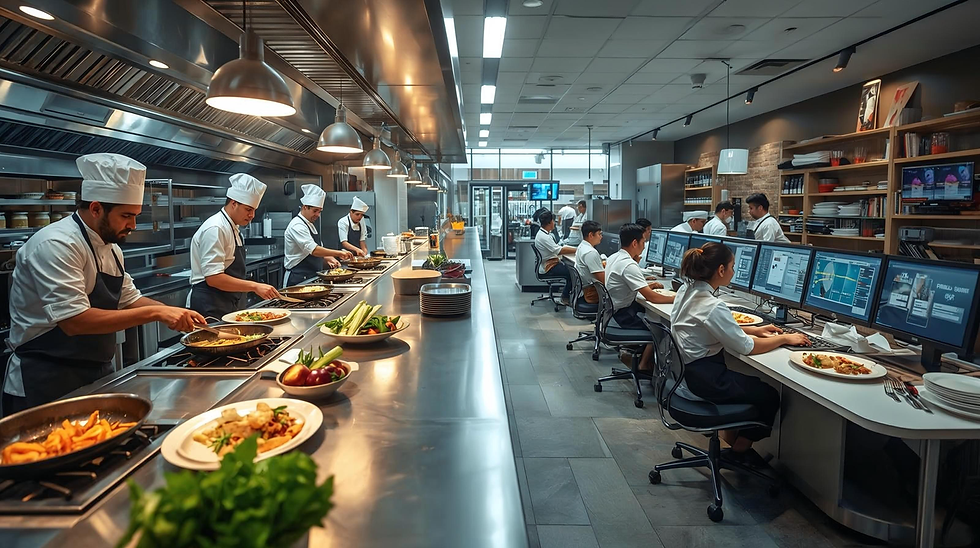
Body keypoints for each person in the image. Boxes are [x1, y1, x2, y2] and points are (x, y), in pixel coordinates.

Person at [2, 153, 206, 414]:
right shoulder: (56, 244)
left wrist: (175, 313)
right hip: (46, 380)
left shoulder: (110, 247)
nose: (132, 225)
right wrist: (156, 312)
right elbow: (75, 321)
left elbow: (129, 298)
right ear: (96, 208)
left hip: (95, 371)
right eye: (126, 216)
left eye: (136, 216)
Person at [670, 243, 809, 462]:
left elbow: (706, 325)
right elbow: (747, 347)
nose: (735, 272)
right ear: (721, 270)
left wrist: (753, 329)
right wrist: (784, 338)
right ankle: (740, 452)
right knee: (769, 395)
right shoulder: (712, 305)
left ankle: (734, 443)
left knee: (751, 382)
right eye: (732, 267)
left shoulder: (685, 291)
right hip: (704, 381)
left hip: (683, 375)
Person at [189, 173, 280, 319]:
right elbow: (213, 278)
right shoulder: (216, 228)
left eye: (254, 210)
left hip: (227, 302)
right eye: (248, 209)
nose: (252, 215)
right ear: (233, 203)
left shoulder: (232, 228)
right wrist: (254, 286)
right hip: (211, 305)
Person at [604, 223, 675, 370]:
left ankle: (637, 357)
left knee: (652, 317)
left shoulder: (614, 257)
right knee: (662, 329)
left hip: (612, 313)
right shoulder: (628, 265)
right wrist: (679, 298)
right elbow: (652, 298)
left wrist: (647, 285)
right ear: (635, 243)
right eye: (643, 242)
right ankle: (644, 366)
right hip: (621, 317)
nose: (644, 246)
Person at [283, 184, 353, 287]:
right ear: (304, 207)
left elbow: (309, 252)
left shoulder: (309, 224)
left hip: (310, 276)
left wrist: (328, 258)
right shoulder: (297, 225)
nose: (317, 215)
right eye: (315, 211)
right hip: (297, 278)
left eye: (319, 211)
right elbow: (314, 250)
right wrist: (339, 253)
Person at [534, 210, 577, 306]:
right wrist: (577, 250)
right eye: (554, 221)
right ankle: (565, 297)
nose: (555, 223)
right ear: (549, 223)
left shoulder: (544, 234)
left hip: (549, 263)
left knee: (571, 268)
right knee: (573, 272)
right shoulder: (544, 237)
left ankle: (567, 296)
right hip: (549, 266)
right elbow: (559, 251)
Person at [574, 221, 605, 304]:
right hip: (593, 293)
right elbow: (603, 280)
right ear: (591, 235)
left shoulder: (581, 247)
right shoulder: (591, 252)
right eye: (599, 234)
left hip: (585, 289)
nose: (601, 237)